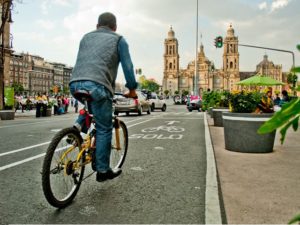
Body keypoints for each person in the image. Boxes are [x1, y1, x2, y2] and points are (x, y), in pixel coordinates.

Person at [69, 12, 138, 182]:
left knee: (90, 106)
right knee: (104, 127)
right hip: (99, 86)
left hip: (75, 83)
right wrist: (132, 89)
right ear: (115, 27)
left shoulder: (86, 37)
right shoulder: (119, 39)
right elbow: (128, 66)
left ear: (97, 26)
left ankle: (76, 129)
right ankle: (102, 170)